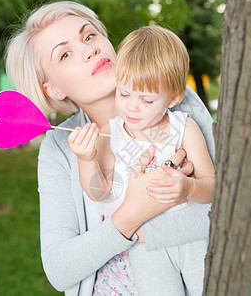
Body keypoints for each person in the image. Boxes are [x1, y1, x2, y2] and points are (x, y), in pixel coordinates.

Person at [5, 0, 215, 296]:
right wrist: (130, 216)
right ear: (53, 89)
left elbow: (228, 207)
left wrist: (177, 201)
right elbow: (59, 269)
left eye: (89, 36)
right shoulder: (59, 147)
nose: (89, 50)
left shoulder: (176, 101)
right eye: (65, 54)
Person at [68, 25, 215, 295]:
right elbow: (99, 192)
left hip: (192, 239)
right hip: (145, 247)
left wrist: (190, 188)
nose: (132, 107)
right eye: (123, 94)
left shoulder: (183, 128)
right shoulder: (113, 132)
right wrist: (86, 159)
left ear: (174, 98)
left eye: (146, 100)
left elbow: (212, 186)